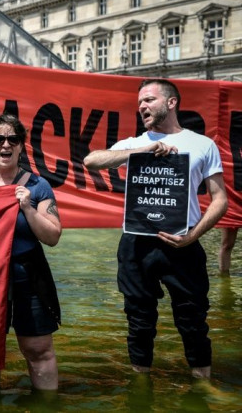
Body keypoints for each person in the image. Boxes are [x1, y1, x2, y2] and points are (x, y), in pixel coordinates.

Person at [83, 78, 228, 379]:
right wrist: (141, 152)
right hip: (137, 245)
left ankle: (203, 389)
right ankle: (141, 390)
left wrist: (193, 236)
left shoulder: (203, 144)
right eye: (139, 103)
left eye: (148, 100)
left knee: (193, 322)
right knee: (139, 322)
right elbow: (91, 160)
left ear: (171, 102)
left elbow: (220, 200)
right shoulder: (135, 143)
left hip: (184, 243)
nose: (142, 107)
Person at [0, 113, 62, 392]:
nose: (5, 145)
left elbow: (53, 236)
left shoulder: (37, 186)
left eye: (13, 139)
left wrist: (28, 208)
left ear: (21, 146)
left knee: (38, 349)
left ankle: (46, 408)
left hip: (27, 274)